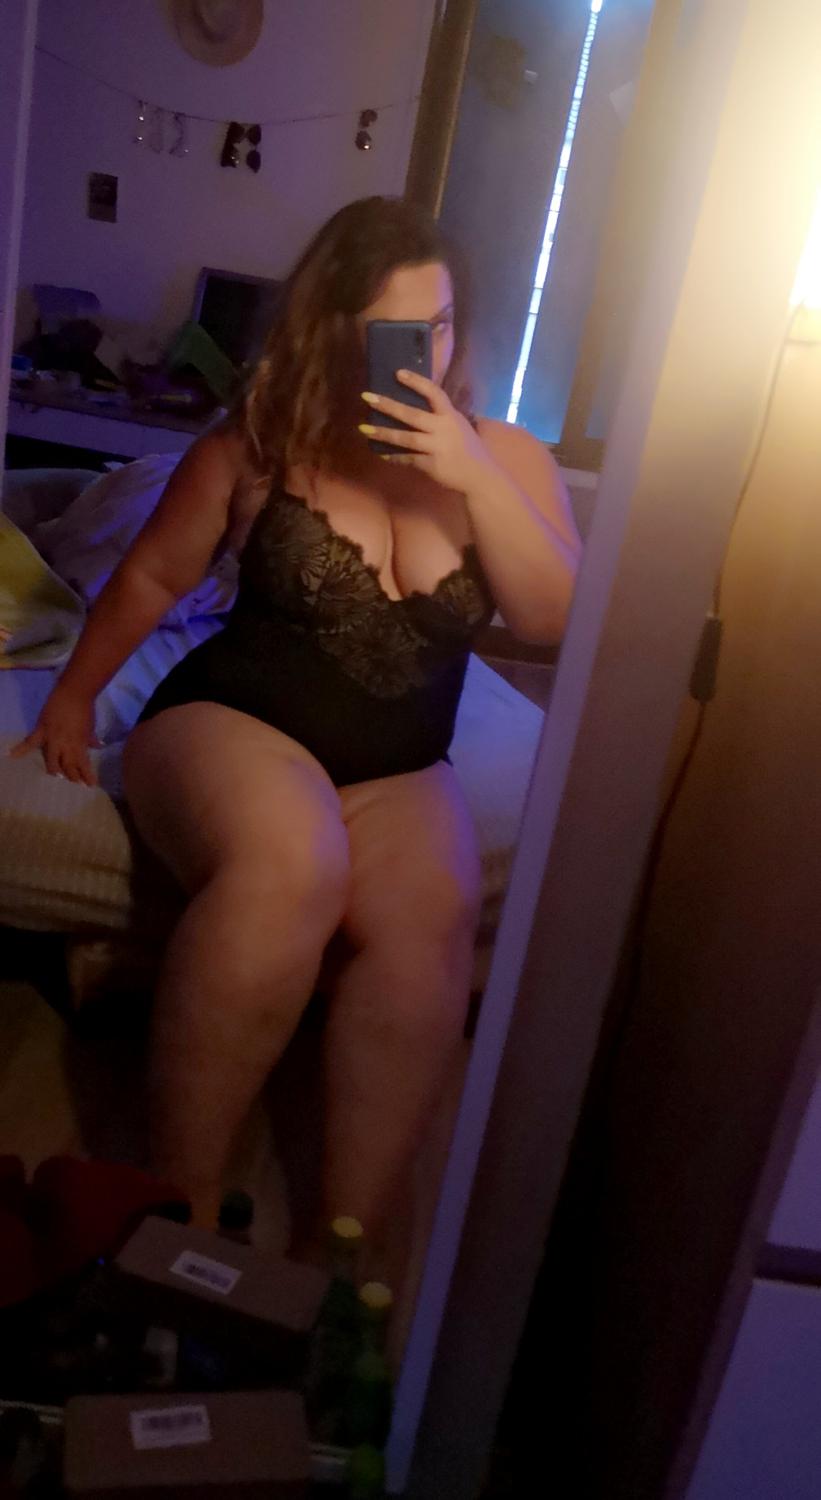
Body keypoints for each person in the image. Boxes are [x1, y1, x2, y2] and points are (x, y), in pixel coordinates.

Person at [11, 196, 581, 1245]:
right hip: (234, 719)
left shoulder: (507, 458)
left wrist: (470, 471)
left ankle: (343, 1253)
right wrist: (72, 698)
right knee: (292, 865)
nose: (419, 356)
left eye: (436, 326)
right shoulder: (261, 443)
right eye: (389, 332)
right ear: (332, 330)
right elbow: (152, 576)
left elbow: (551, 616)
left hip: (400, 765)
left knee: (432, 919)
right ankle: (173, 1218)